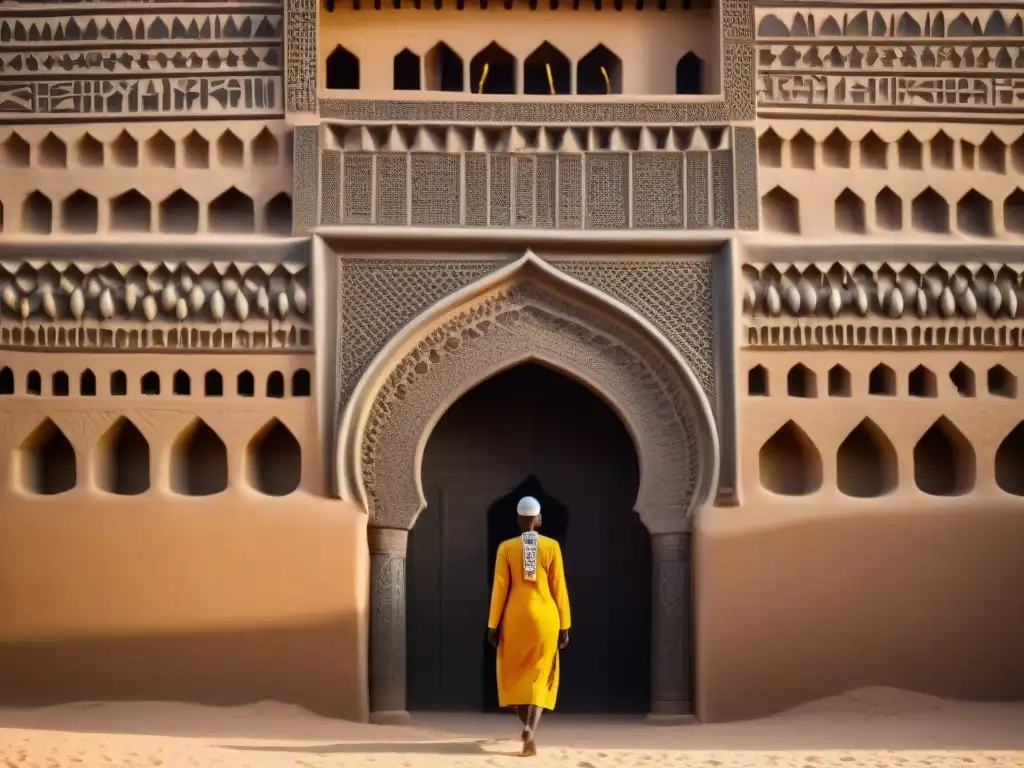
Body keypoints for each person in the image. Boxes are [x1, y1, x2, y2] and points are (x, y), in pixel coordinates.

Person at [487, 495, 571, 757]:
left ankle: (523, 724)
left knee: (516, 674)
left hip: (515, 618)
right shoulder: (552, 547)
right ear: (539, 519)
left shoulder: (506, 548)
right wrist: (565, 625)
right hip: (547, 617)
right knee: (539, 674)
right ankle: (531, 732)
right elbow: (559, 588)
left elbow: (499, 589)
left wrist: (493, 625)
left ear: (518, 520)